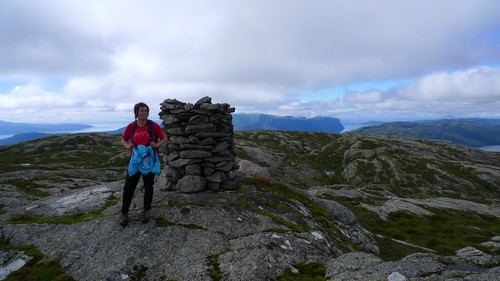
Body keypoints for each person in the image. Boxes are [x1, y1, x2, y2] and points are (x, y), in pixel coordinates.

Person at [120, 102, 167, 227]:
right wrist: (127, 146)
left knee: (148, 186)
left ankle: (147, 210)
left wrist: (156, 145)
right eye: (141, 110)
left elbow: (164, 138)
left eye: (146, 110)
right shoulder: (131, 127)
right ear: (136, 113)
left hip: (149, 160)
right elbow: (124, 138)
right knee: (128, 187)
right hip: (135, 160)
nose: (144, 112)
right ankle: (124, 212)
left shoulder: (153, 126)